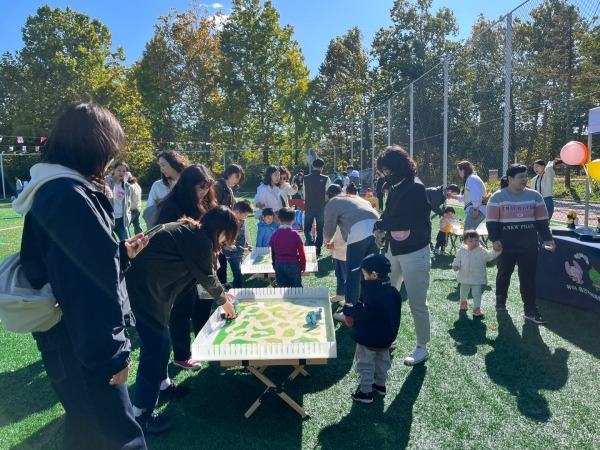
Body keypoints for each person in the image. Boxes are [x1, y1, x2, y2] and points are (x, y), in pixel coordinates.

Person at [14, 103, 147, 449]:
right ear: (95, 148)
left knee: (86, 432)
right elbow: (85, 289)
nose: (109, 162)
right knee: (118, 438)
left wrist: (120, 254)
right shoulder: (70, 196)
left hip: (72, 341)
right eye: (110, 152)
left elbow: (72, 264)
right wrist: (113, 355)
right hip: (82, 345)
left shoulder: (58, 189)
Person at [126, 207, 239, 435]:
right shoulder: (200, 240)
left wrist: (222, 295)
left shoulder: (194, 233)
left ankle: (163, 385)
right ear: (221, 230)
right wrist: (225, 304)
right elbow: (207, 278)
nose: (228, 242)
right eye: (229, 235)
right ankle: (141, 415)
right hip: (142, 289)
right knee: (155, 347)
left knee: (162, 343)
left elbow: (204, 276)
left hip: (150, 288)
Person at [373, 145, 432, 366]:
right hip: (394, 249)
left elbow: (403, 220)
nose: (386, 175)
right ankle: (390, 337)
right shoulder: (396, 185)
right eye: (384, 171)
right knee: (389, 296)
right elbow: (389, 214)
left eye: (388, 170)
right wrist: (379, 230)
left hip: (414, 251)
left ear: (400, 166)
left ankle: (422, 346)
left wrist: (380, 225)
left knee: (417, 302)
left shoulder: (415, 187)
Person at [155, 164, 217, 371]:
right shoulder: (170, 205)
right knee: (182, 309)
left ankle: (205, 345)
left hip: (201, 262)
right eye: (199, 188)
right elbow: (163, 239)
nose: (203, 193)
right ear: (187, 186)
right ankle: (182, 356)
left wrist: (213, 253)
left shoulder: (206, 200)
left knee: (203, 304)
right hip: (179, 268)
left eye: (206, 187)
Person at [486, 164, 555, 324]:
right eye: (521, 177)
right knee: (504, 274)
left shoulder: (535, 196)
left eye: (526, 176)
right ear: (510, 179)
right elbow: (492, 222)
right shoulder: (497, 197)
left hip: (529, 246)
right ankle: (500, 300)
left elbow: (542, 221)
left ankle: (530, 310)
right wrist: (495, 239)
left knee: (528, 278)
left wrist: (547, 238)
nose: (525, 179)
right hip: (506, 246)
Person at [341, 253, 401, 404]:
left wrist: (349, 310)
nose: (363, 277)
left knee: (366, 364)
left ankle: (366, 392)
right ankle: (380, 385)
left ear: (374, 275)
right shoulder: (393, 292)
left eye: (364, 274)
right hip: (387, 337)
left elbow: (364, 314)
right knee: (382, 361)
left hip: (370, 337)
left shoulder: (374, 294)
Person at [322, 184, 379, 321]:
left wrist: (325, 240)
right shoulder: (357, 198)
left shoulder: (333, 202)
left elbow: (329, 226)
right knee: (371, 273)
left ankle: (350, 312)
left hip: (359, 231)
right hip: (377, 229)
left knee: (353, 273)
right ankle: (370, 306)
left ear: (329, 196)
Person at [452, 229, 501, 318]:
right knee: (463, 291)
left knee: (477, 293)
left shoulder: (482, 251)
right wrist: (456, 265)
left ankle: (477, 308)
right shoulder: (462, 250)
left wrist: (496, 251)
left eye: (476, 240)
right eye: (471, 241)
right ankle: (463, 302)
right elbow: (457, 259)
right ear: (465, 241)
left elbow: (489, 256)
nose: (474, 243)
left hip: (477, 277)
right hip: (464, 276)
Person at [215, 164, 246, 284]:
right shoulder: (218, 186)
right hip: (216, 228)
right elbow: (214, 207)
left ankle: (222, 283)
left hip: (223, 228)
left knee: (221, 257)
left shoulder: (227, 187)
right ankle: (219, 285)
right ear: (228, 174)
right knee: (217, 257)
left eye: (239, 178)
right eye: (236, 177)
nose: (237, 180)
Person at [144, 150, 190, 223]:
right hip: (166, 229)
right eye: (160, 166)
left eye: (163, 165)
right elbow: (149, 211)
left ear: (174, 163)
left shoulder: (190, 182)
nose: (161, 169)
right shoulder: (157, 186)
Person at [269, 207, 306, 288]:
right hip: (293, 264)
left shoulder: (275, 234)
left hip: (279, 264)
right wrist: (303, 266)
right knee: (297, 288)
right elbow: (301, 253)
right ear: (293, 220)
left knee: (282, 289)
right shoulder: (296, 234)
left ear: (278, 219)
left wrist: (274, 264)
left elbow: (273, 251)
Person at [323, 185, 348, 305]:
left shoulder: (345, 212)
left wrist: (334, 245)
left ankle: (348, 299)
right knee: (339, 275)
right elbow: (334, 231)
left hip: (345, 252)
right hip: (338, 252)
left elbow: (346, 239)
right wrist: (331, 242)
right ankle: (340, 295)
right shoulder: (338, 210)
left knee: (346, 277)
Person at [303, 158, 332, 257]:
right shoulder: (326, 178)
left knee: (307, 228)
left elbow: (304, 194)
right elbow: (329, 193)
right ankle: (318, 249)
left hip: (309, 206)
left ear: (313, 166)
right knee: (320, 229)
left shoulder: (305, 178)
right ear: (322, 167)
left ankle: (311, 243)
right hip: (321, 208)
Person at [224, 200, 254, 288]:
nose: (245, 218)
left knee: (239, 274)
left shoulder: (242, 221)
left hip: (239, 253)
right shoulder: (230, 223)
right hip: (232, 254)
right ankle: (237, 294)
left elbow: (241, 237)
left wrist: (246, 245)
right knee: (237, 275)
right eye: (245, 216)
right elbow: (228, 243)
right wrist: (242, 250)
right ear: (237, 212)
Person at [455, 161, 488, 231]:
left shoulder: (472, 179)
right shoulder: (471, 178)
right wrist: (453, 196)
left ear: (463, 170)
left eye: (459, 171)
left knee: (468, 234)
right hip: (476, 208)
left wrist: (475, 209)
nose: (459, 173)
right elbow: (468, 198)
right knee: (471, 235)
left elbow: (477, 194)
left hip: (476, 209)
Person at [105, 161, 131, 241]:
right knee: (110, 244)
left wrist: (128, 216)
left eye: (124, 171)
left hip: (121, 220)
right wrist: (108, 190)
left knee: (128, 243)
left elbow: (128, 203)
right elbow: (105, 186)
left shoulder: (126, 185)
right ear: (114, 170)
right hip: (109, 219)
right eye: (119, 170)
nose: (121, 173)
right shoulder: (107, 181)